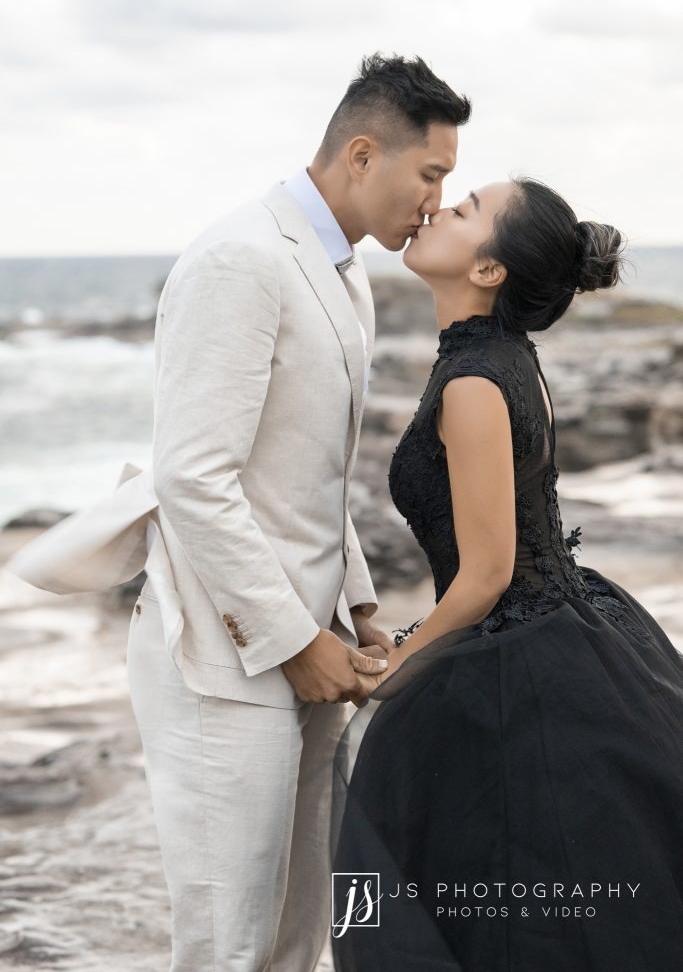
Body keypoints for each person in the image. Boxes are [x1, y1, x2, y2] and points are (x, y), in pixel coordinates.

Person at [5, 53, 471, 972]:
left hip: (315, 639)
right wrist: (293, 642)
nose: (435, 200)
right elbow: (193, 477)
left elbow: (312, 472)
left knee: (299, 938)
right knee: (230, 944)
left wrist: (357, 607)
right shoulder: (239, 258)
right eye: (430, 174)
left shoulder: (345, 274)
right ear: (363, 154)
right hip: (223, 659)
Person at [330, 177, 683, 971]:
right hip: (552, 638)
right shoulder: (503, 359)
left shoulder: (473, 382)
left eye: (463, 210)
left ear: (488, 270)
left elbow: (487, 572)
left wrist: (401, 663)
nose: (436, 207)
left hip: (515, 666)